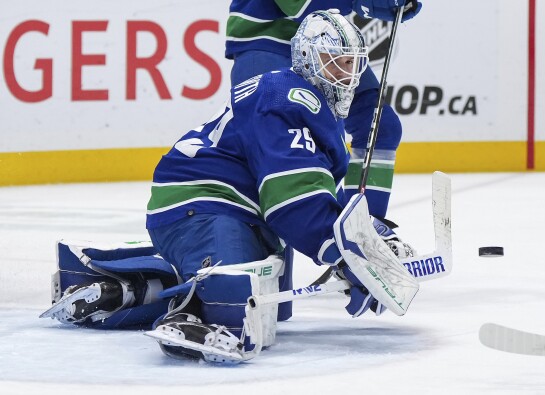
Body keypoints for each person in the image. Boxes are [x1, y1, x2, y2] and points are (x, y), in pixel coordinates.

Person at [40, 9, 416, 364]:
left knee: (270, 307)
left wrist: (364, 237)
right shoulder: (287, 96)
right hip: (204, 202)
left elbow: (309, 188)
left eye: (353, 63)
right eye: (336, 61)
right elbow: (292, 202)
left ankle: (123, 289)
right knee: (233, 302)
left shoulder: (314, 108)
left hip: (235, 212)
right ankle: (195, 316)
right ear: (307, 59)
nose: (346, 74)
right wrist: (349, 253)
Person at [227, 0, 422, 220]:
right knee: (273, 146)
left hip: (328, 46)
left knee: (379, 126)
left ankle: (366, 231)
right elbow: (296, 5)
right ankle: (274, 247)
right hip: (265, 41)